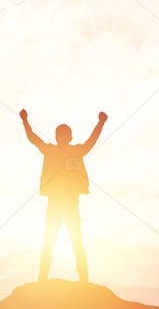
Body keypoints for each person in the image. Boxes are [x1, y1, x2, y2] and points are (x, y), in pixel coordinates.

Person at [20, 108, 107, 282]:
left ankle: (44, 279)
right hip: (68, 205)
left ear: (59, 137)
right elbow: (92, 141)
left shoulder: (51, 150)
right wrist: (101, 122)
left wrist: (25, 120)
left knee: (52, 243)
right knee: (75, 242)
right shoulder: (75, 151)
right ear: (70, 137)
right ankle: (82, 280)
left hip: (57, 205)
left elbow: (33, 139)